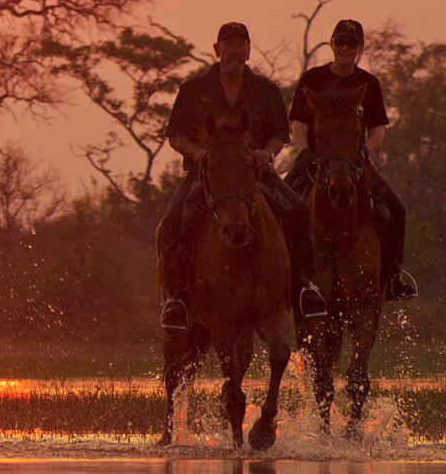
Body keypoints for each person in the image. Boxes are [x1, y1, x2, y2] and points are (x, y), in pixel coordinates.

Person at [156, 21, 328, 331]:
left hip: (255, 176)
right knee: (170, 225)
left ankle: (303, 288)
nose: (234, 50)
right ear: (217, 50)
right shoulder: (194, 90)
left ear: (248, 51)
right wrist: (198, 154)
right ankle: (176, 298)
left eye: (240, 44)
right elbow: (176, 136)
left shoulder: (266, 90)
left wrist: (267, 153)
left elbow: (279, 134)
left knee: (300, 212)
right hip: (205, 177)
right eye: (228, 44)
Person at [284, 19, 418, 301]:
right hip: (314, 157)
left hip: (354, 161)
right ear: (332, 45)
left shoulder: (368, 84)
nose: (346, 48)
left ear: (360, 48)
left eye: (352, 44)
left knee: (396, 208)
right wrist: (307, 151)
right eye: (341, 42)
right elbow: (297, 125)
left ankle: (393, 275)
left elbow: (378, 129)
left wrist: (364, 152)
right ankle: (286, 275)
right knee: (282, 205)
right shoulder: (313, 79)